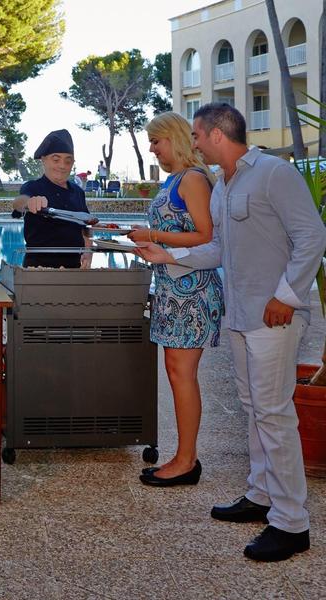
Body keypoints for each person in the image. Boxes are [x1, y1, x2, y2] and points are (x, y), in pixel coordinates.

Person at [134, 103, 326, 562]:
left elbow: (312, 236)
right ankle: (261, 495)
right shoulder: (224, 185)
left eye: (197, 136)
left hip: (274, 315)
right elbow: (217, 248)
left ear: (217, 134)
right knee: (252, 407)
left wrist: (287, 295)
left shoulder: (273, 174)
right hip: (239, 316)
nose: (193, 143)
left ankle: (291, 522)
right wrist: (169, 258)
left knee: (274, 413)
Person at [126, 112, 224, 488]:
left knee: (182, 373)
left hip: (192, 290)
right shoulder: (176, 180)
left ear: (174, 138)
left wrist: (154, 235)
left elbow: (206, 235)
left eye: (156, 141)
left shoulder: (194, 179)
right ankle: (184, 456)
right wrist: (154, 242)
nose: (152, 148)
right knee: (176, 371)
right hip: (174, 288)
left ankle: (186, 461)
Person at [12, 129, 95, 268]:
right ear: (43, 160)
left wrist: (88, 251)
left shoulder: (78, 192)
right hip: (38, 269)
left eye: (67, 161)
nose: (62, 166)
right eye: (56, 160)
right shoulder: (32, 187)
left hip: (74, 268)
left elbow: (84, 227)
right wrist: (30, 202)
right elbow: (18, 203)